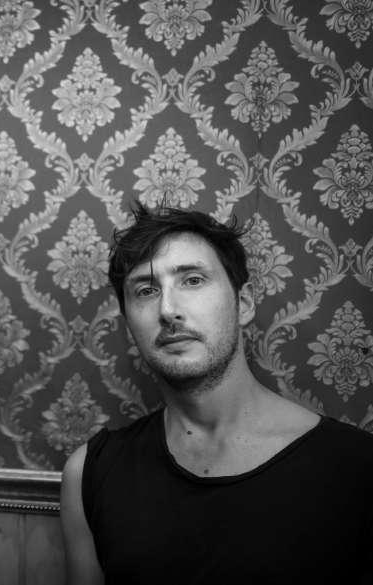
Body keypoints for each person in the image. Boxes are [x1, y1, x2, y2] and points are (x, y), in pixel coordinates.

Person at [60, 204, 373, 585]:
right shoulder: (90, 472)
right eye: (146, 290)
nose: (168, 310)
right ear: (129, 325)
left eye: (192, 280)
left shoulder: (357, 468)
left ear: (244, 303)